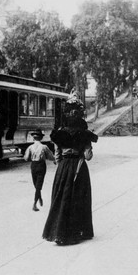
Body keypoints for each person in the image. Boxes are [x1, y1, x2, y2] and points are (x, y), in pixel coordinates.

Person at [42, 91, 98, 246]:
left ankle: (59, 231)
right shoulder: (85, 134)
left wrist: (62, 167)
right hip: (79, 168)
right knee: (79, 198)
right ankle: (79, 230)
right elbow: (87, 156)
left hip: (64, 168)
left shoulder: (59, 134)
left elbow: (57, 156)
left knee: (62, 197)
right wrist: (87, 149)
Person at [24, 129, 55, 212]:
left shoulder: (30, 147)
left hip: (33, 165)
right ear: (41, 138)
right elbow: (51, 157)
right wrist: (55, 160)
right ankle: (37, 200)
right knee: (39, 184)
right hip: (41, 165)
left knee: (36, 184)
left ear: (33, 138)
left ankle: (35, 202)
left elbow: (26, 158)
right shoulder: (44, 147)